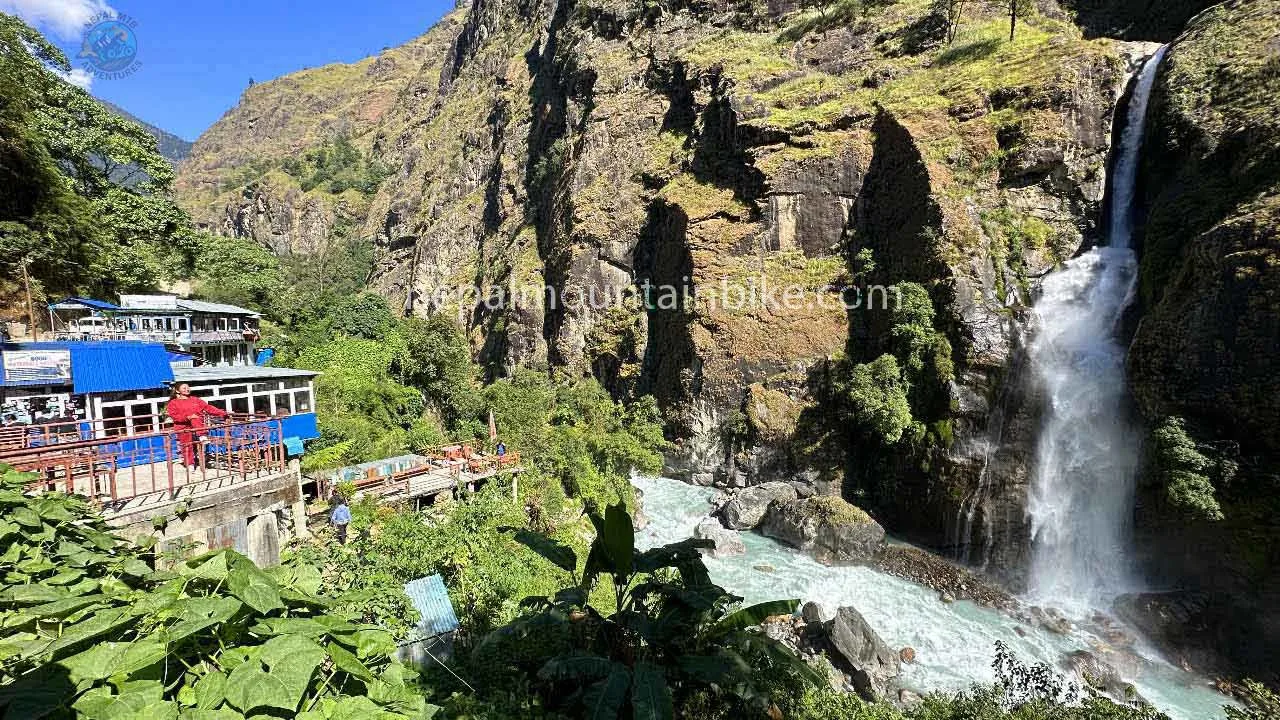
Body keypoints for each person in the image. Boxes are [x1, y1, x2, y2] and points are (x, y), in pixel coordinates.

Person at [166, 383, 228, 469]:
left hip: (197, 425)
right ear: (177, 391)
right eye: (184, 388)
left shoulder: (195, 400)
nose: (187, 389)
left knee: (195, 418)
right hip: (182, 426)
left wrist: (223, 413)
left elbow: (208, 408)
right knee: (186, 445)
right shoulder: (173, 403)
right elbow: (175, 417)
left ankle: (202, 436)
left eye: (188, 388)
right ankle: (190, 464)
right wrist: (188, 417)